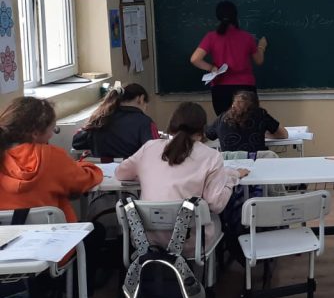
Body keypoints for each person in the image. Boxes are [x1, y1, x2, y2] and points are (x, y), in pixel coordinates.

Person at [114, 102, 249, 245]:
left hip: (146, 241)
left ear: (171, 125)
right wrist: (230, 179)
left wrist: (144, 174)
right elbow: (216, 204)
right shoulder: (211, 156)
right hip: (190, 242)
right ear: (202, 129)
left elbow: (120, 174)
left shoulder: (150, 147)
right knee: (216, 220)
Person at [0, 97, 101, 221]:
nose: (52, 134)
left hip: (6, 232)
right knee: (98, 229)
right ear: (35, 133)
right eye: (52, 129)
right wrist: (85, 165)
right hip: (52, 230)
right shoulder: (52, 157)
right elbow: (83, 181)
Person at [190, 0, 268, 115]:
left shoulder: (211, 37)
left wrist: (212, 68)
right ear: (235, 16)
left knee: (225, 123)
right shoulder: (247, 37)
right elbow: (259, 60)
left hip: (221, 89)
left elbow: (195, 59)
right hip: (246, 89)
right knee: (248, 121)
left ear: (218, 17)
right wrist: (261, 46)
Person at [71, 83, 159, 160]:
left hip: (102, 171)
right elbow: (155, 152)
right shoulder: (145, 122)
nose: (145, 110)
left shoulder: (100, 119)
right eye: (146, 106)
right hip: (131, 171)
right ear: (141, 99)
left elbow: (76, 143)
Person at [206, 90, 287, 153]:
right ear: (255, 105)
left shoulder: (221, 118)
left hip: (231, 165)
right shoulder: (260, 114)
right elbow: (283, 134)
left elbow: (208, 135)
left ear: (233, 104)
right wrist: (266, 135)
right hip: (257, 163)